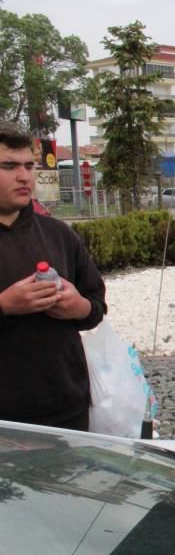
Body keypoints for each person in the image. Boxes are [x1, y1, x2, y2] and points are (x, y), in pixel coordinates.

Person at [0, 121, 107, 430]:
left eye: (28, 166)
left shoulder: (58, 234)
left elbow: (95, 307)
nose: (24, 176)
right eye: (9, 166)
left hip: (65, 410)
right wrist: (5, 305)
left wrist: (80, 308)